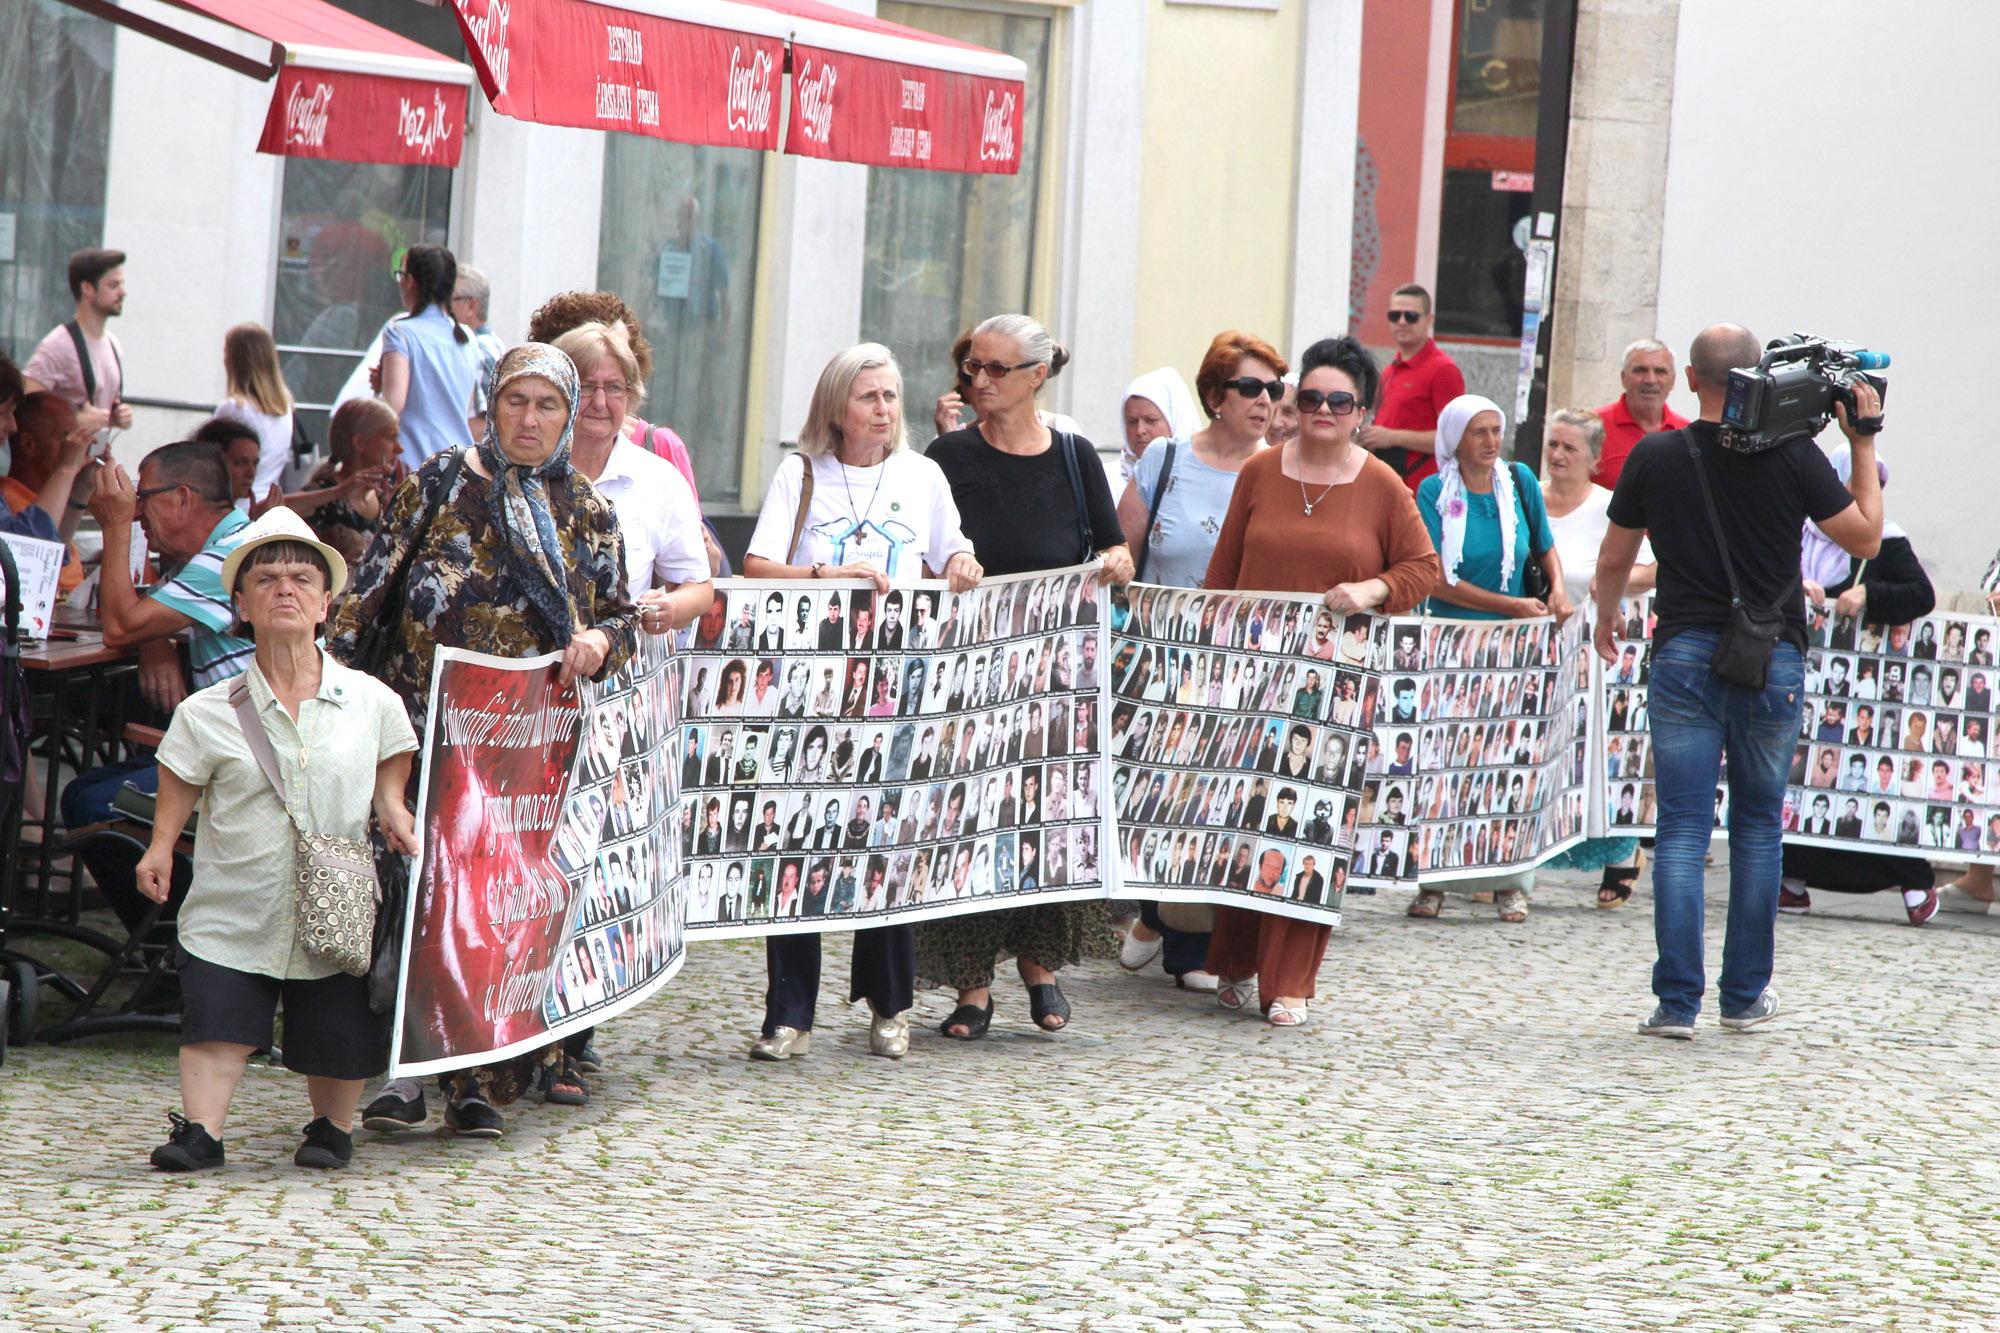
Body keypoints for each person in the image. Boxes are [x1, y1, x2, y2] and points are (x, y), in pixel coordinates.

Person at [330, 343, 639, 1136]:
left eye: (546, 406)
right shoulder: (441, 481)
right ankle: (398, 1073)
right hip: (422, 724)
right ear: (491, 405)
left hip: (520, 746)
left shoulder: (588, 510)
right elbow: (371, 589)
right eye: (515, 402)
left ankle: (476, 1077)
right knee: (412, 890)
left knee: (489, 906)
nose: (528, 420)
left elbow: (619, 616)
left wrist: (601, 641)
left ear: (570, 416)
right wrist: (323, 681)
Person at [1592, 324, 1883, 1039]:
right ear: (1760, 376)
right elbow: (1866, 539)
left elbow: (1611, 557)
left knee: (1683, 830)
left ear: (1692, 380)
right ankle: (1744, 995)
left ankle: (1676, 1004)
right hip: (1771, 654)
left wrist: (1606, 618)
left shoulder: (1656, 453)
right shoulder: (1795, 454)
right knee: (1757, 829)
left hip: (1685, 649)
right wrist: (1866, 439)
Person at [136, 508, 419, 1172]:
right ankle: (201, 1132)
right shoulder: (206, 710)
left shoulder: (371, 699)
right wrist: (158, 845)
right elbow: (178, 776)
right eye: (265, 579)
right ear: (240, 604)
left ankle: (331, 1125)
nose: (284, 589)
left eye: (300, 578)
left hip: (338, 897)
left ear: (326, 602)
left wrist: (393, 807)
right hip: (240, 895)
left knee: (340, 1021)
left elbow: (393, 757)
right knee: (218, 1014)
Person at [738, 342, 981, 1062]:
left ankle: (890, 1004)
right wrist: (825, 573)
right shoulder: (801, 473)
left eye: (891, 396)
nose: (884, 409)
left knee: (886, 841)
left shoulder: (924, 474)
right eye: (869, 396)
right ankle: (789, 1013)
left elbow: (953, 555)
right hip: (812, 691)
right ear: (837, 407)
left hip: (895, 691)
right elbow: (755, 567)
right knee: (800, 844)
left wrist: (964, 561)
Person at [1202, 334, 1439, 1026]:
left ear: (1363, 411)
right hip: (1253, 681)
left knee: (1310, 830)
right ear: (1291, 403)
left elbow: (1422, 569)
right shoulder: (1260, 471)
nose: (1322, 409)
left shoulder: (1381, 484)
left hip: (1334, 690)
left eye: (1339, 400)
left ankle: (1291, 980)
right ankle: (1237, 957)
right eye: (1308, 397)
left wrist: (1371, 588)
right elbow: (1222, 572)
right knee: (1248, 822)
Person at [920, 313, 1134, 1039]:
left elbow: (1117, 550)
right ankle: (973, 987)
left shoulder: (1074, 456)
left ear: (1037, 376)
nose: (979, 381)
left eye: (996, 370)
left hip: (1049, 682)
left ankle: (1041, 969)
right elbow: (926, 554)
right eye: (972, 367)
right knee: (971, 821)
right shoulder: (946, 457)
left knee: (1041, 817)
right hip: (969, 681)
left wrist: (1113, 565)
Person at [1112, 332, 1288, 992]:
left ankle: (1190, 941)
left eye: (1276, 388)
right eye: (1251, 387)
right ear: (1215, 396)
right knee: (1161, 800)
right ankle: (1160, 913)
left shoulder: (1280, 469)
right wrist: (1118, 571)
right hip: (1159, 661)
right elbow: (1122, 547)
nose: (1266, 400)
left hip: (1243, 668)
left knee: (1219, 804)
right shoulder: (1166, 458)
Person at [1408, 394, 1566, 922]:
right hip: (1453, 642)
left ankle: (1509, 880)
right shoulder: (1433, 491)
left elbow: (1543, 546)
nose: (1491, 442)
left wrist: (1557, 592)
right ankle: (1433, 881)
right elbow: (1436, 578)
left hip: (1513, 646)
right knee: (1446, 760)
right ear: (1455, 438)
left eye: (1496, 430)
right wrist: (1510, 605)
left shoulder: (1518, 482)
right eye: (1479, 432)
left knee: (1507, 760)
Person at [1780, 448, 1939, 926]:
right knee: (1799, 777)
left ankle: (1914, 884)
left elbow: (1920, 594)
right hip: (1802, 684)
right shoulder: (1796, 532)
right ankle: (1792, 882)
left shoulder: (1887, 541)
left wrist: (1870, 593)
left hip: (1861, 697)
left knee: (1863, 784)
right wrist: (1798, 587)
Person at [1538, 407, 1655, 905]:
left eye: (1570, 448)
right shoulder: (1529, 502)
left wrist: (1597, 581)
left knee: (1604, 754)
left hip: (1601, 646)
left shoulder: (1610, 507)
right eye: (1553, 445)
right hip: (1542, 644)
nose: (1558, 455)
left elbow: (1650, 570)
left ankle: (1620, 853)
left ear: (1592, 457)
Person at [526, 290, 726, 576]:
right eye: (587, 383)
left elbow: (702, 570)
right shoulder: (522, 462)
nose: (600, 401)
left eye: (614, 384)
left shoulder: (658, 452)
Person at [1353, 283, 1464, 490]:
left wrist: (1392, 436)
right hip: (1389, 485)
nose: (1402, 322)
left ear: (1429, 320)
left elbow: (1455, 440)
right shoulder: (1389, 369)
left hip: (1423, 491)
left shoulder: (1443, 369)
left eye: (1411, 316)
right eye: (1395, 316)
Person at [380, 243, 479, 468]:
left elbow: (391, 407)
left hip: (416, 465)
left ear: (411, 281)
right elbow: (466, 405)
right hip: (458, 466)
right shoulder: (468, 337)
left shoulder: (400, 332)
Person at [23, 247, 133, 438]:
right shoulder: (58, 346)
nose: (123, 292)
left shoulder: (113, 343)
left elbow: (101, 408)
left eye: (122, 285)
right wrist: (77, 420)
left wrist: (117, 415)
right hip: (62, 464)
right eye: (114, 285)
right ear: (88, 288)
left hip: (95, 461)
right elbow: (25, 409)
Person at [2, 390, 93, 589]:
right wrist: (66, 469)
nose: (12, 427)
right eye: (69, 438)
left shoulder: (50, 501)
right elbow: (35, 557)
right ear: (29, 445)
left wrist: (83, 487)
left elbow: (57, 547)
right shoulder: (10, 498)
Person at [213, 322, 296, 497]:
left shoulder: (234, 409)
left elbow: (210, 464)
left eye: (226, 352)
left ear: (235, 360)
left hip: (236, 506)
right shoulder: (285, 408)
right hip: (268, 504)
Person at [1592, 339, 1689, 488]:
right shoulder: (1593, 428)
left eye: (1660, 371)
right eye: (1640, 370)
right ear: (1623, 378)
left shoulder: (1687, 434)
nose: (1650, 380)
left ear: (1673, 380)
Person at [1114, 367, 1200, 487]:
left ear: (1175, 421)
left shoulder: (1199, 479)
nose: (1140, 431)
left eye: (1151, 420)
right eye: (1132, 421)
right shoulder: (1107, 480)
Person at [451, 264, 507, 423]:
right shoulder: (490, 344)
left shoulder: (479, 351)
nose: (442, 308)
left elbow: (480, 424)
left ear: (471, 306)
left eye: (448, 300)